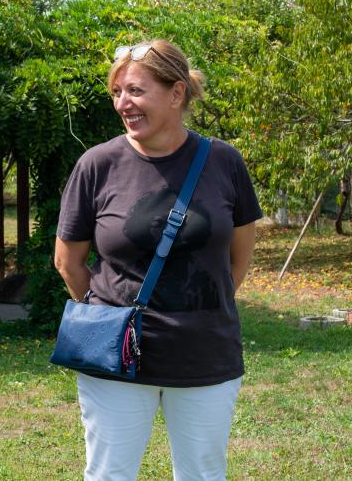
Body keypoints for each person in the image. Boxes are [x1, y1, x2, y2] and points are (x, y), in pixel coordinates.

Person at [54, 39, 262, 481]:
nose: (123, 103)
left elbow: (238, 255)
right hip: (115, 358)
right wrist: (108, 314)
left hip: (205, 355)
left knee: (203, 474)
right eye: (117, 93)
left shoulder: (224, 162)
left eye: (135, 91)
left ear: (177, 93)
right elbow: (68, 262)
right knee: (110, 474)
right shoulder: (97, 164)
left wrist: (204, 304)